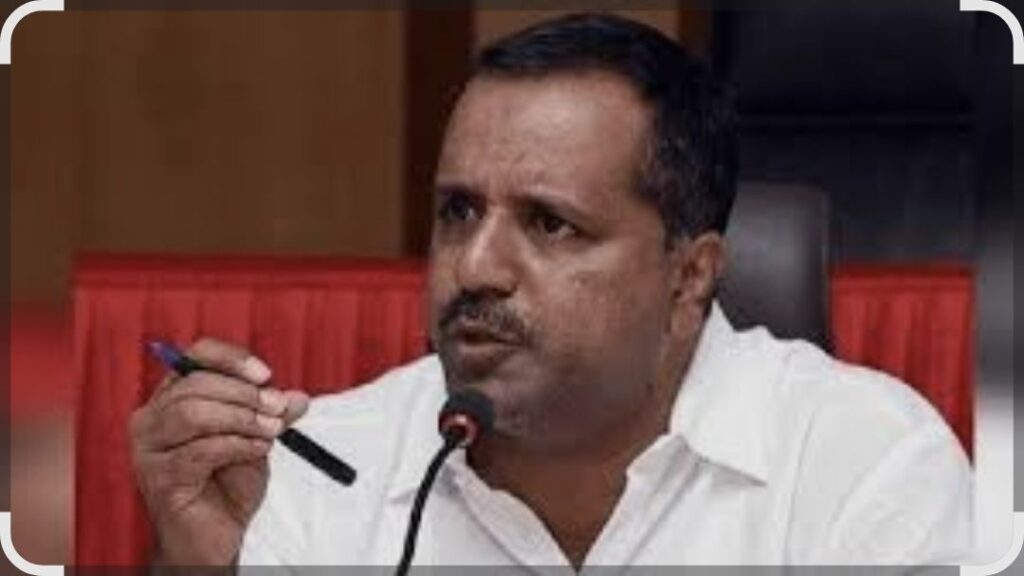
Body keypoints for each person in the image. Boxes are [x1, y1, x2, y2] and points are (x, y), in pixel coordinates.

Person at [129, 13, 972, 569]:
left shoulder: (864, 465)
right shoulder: (319, 471)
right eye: (459, 212)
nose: (475, 268)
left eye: (550, 225)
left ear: (689, 277)